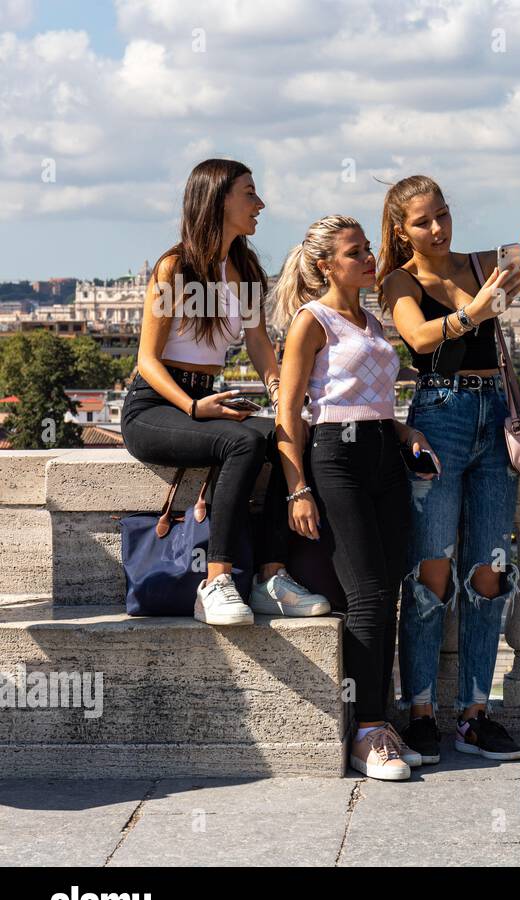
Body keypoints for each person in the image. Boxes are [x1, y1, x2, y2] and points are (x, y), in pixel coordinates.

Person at [377, 175, 520, 765]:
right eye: (424, 221)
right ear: (402, 229)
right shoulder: (400, 280)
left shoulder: (482, 263)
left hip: (494, 413)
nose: (438, 228)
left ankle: (476, 715)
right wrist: (473, 313)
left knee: (488, 571)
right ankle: (422, 712)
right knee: (431, 573)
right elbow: (420, 340)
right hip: (441, 412)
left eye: (443, 215)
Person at [121, 158, 330, 626]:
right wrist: (193, 406)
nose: (260, 204)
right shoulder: (174, 267)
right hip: (156, 406)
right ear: (218, 199)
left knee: (289, 432)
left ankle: (270, 577)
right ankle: (216, 581)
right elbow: (147, 362)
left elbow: (257, 343)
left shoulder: (246, 268)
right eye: (249, 193)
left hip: (205, 400)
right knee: (242, 441)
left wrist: (280, 392)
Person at [274, 214, 439, 782]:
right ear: (326, 266)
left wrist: (403, 432)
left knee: (389, 587)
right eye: (355, 253)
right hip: (334, 458)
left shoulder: (371, 319)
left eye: (368, 249)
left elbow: (371, 402)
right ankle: (366, 732)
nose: (369, 259)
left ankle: (379, 722)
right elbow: (289, 412)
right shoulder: (310, 321)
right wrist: (297, 487)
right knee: (366, 591)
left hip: (382, 454)